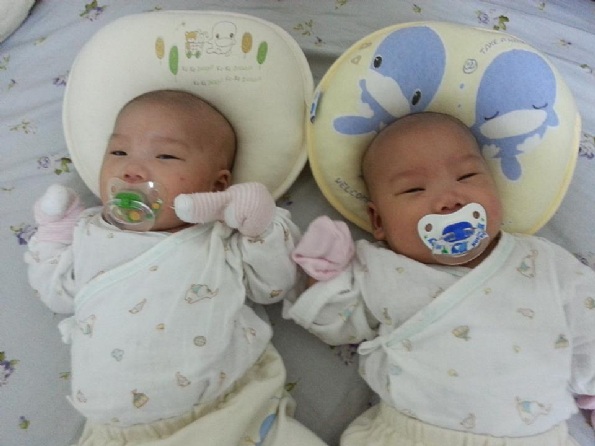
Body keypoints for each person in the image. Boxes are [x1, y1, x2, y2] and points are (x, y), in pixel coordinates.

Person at [25, 89, 327, 446]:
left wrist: (260, 227)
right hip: (122, 433)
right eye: (118, 152)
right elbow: (56, 291)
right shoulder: (91, 233)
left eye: (165, 155)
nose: (131, 170)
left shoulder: (219, 236)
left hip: (231, 411)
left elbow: (273, 285)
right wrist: (54, 233)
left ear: (217, 184)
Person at [285, 112, 595, 445]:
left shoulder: (544, 262)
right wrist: (324, 270)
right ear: (378, 221)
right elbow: (334, 324)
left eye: (467, 176)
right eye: (414, 189)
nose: (449, 199)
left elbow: (587, 327)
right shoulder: (378, 267)